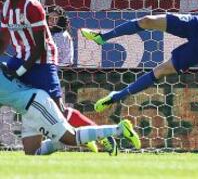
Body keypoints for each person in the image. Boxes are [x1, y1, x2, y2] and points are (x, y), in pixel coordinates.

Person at [0, 0, 115, 154]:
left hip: (42, 61)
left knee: (59, 112)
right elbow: (4, 39)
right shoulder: (5, 7)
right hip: (20, 58)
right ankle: (71, 139)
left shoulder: (32, 5)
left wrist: (19, 72)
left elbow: (40, 47)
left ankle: (100, 135)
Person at [0, 65, 141, 155]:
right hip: (26, 110)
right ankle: (83, 137)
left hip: (35, 103)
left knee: (71, 138)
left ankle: (119, 129)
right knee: (33, 153)